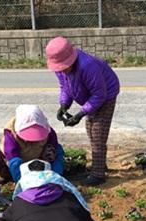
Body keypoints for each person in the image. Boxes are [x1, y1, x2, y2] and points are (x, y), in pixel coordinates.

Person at [46, 36, 120, 186]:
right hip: (91, 97)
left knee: (98, 134)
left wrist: (81, 113)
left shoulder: (87, 66)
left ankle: (98, 174)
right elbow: (65, 87)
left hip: (106, 96)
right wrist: (64, 105)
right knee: (90, 130)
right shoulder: (60, 69)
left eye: (63, 66)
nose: (61, 70)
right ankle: (99, 165)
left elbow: (100, 94)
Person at [0, 104, 65, 183]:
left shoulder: (49, 132)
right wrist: (22, 182)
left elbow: (57, 153)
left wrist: (54, 176)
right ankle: (8, 178)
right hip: (16, 168)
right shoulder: (11, 136)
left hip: (40, 167)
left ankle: (47, 176)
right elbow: (14, 162)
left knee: (53, 150)